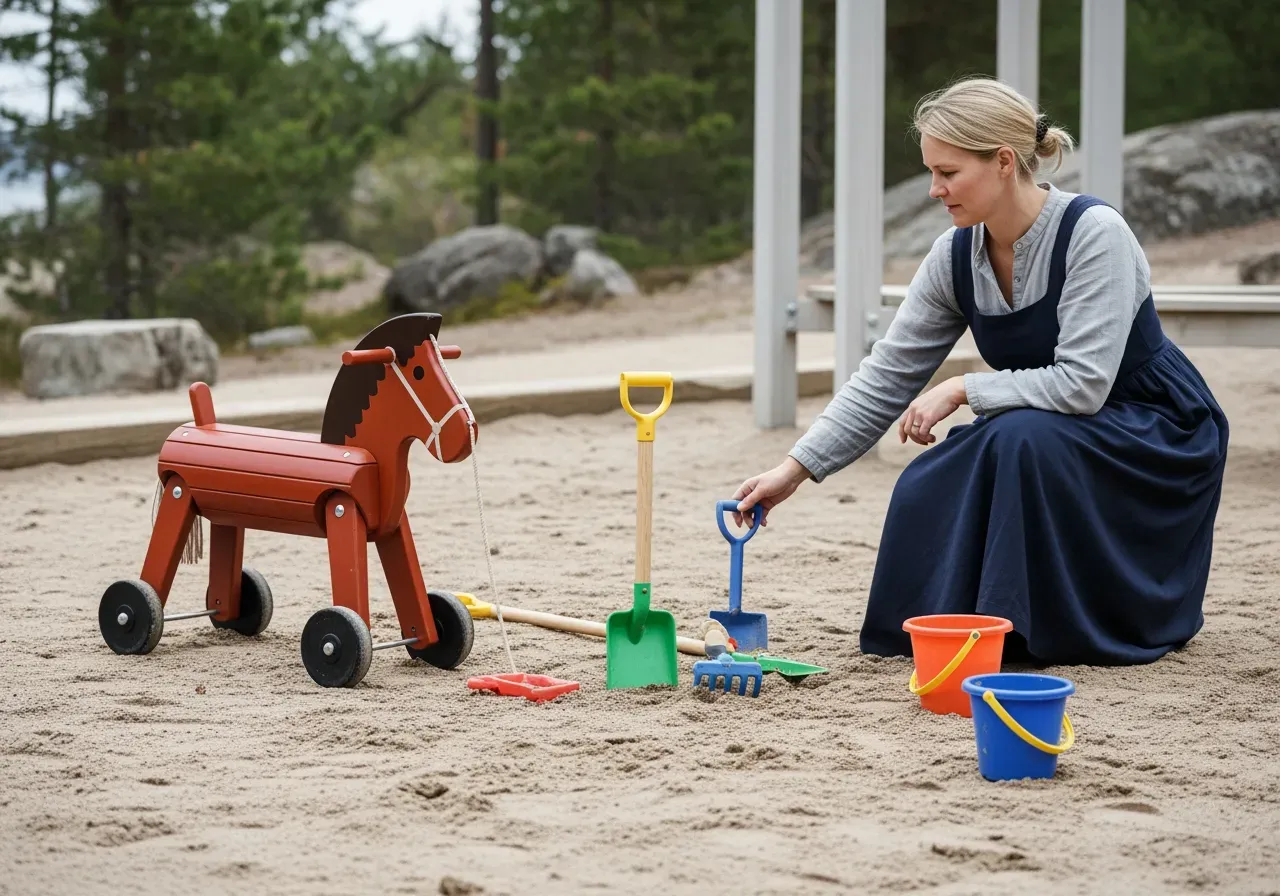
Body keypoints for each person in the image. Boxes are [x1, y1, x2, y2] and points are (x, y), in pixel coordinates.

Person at [731, 77, 1229, 666]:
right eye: (931, 173)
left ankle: (1028, 632)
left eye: (948, 172)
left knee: (1017, 438)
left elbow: (1084, 384)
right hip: (1050, 429)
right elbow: (888, 372)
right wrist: (796, 469)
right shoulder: (954, 254)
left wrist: (965, 388)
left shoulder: (1094, 234)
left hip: (1151, 431)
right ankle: (946, 632)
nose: (936, 191)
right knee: (927, 480)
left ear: (1002, 161)